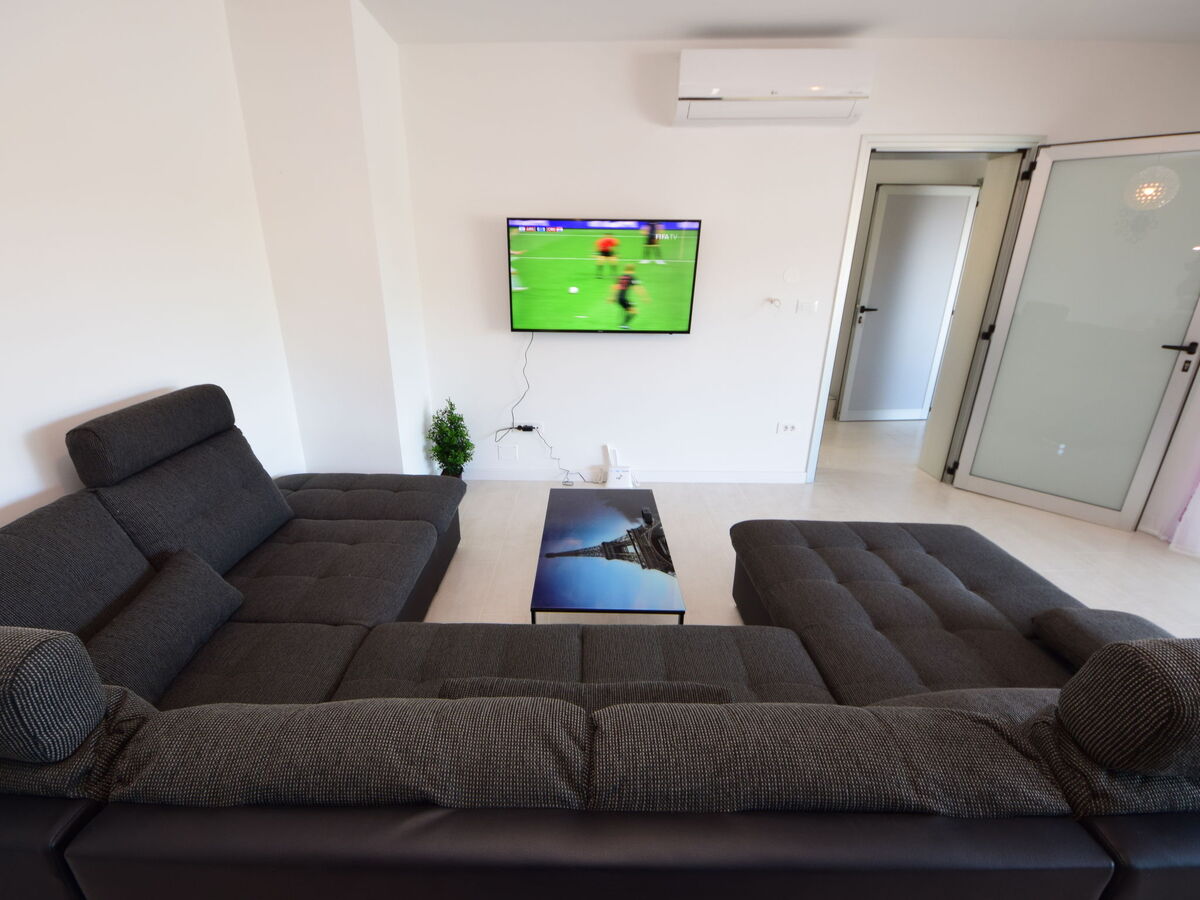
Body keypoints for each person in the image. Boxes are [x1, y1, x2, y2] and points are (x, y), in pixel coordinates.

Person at [610, 264, 650, 329]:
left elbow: (615, 287)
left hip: (619, 298)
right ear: (633, 270)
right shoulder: (632, 277)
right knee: (634, 312)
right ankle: (623, 325)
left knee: (630, 308)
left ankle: (623, 323)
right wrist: (644, 298)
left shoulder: (620, 277)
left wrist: (613, 297)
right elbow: (637, 288)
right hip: (623, 298)